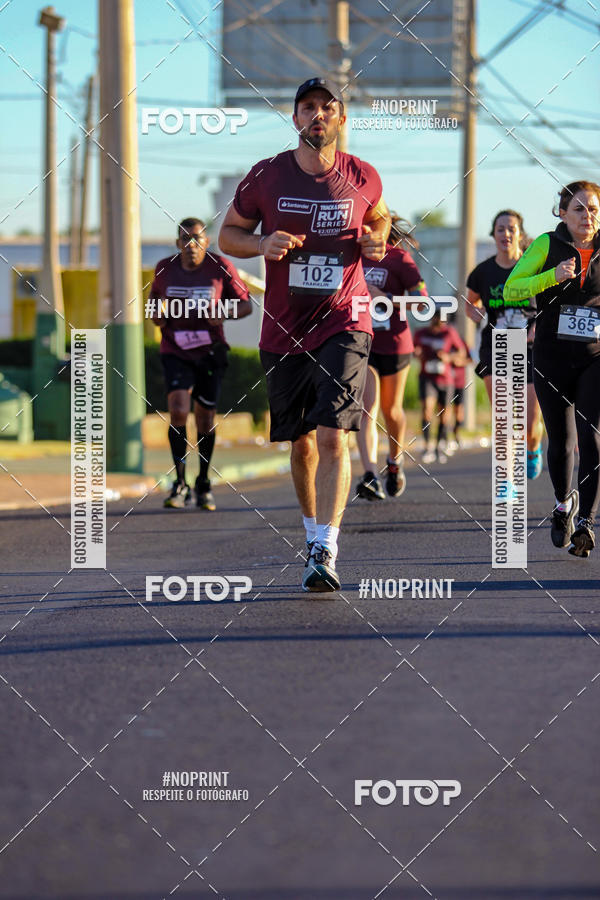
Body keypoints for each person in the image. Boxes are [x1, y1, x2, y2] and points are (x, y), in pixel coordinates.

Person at [219, 77, 391, 592]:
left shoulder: (363, 175)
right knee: (301, 444)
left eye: (327, 108)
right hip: (284, 328)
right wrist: (262, 243)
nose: (317, 115)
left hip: (346, 318)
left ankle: (327, 546)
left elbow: (379, 222)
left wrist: (377, 240)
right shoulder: (266, 177)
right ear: (294, 118)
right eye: (307, 107)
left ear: (340, 119)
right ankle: (311, 532)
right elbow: (229, 235)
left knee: (336, 434)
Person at [504, 181, 600, 557]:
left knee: (591, 435)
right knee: (560, 443)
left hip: (594, 356)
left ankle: (586, 523)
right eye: (579, 209)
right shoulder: (547, 244)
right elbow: (512, 288)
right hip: (550, 357)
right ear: (563, 213)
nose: (587, 216)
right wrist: (551, 276)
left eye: (593, 209)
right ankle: (563, 505)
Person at [149, 217, 252, 510]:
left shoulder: (220, 267)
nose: (190, 244)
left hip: (210, 351)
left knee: (205, 418)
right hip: (176, 348)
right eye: (184, 239)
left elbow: (246, 305)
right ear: (177, 243)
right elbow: (152, 301)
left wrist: (223, 312)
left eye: (196, 238)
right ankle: (179, 482)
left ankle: (203, 481)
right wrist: (157, 314)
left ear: (206, 242)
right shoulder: (164, 268)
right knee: (179, 409)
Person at [466, 210, 544, 479]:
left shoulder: (535, 269)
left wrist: (538, 325)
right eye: (500, 229)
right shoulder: (483, 272)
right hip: (496, 347)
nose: (506, 234)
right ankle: (507, 477)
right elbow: (470, 302)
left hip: (530, 350)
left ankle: (533, 448)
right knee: (504, 417)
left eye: (511, 229)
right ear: (494, 234)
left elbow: (551, 305)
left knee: (531, 425)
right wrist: (473, 312)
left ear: (520, 234)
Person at [356, 215, 428, 500]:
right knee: (366, 407)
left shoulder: (399, 259)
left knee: (392, 410)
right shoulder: (351, 258)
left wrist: (384, 297)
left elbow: (421, 300)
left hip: (396, 344)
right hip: (364, 343)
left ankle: (395, 461)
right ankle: (370, 474)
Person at [413, 311, 467, 464]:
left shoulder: (449, 333)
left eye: (442, 323)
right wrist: (417, 354)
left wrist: (448, 357)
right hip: (426, 377)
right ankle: (428, 446)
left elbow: (461, 352)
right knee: (427, 411)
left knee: (444, 415)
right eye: (436, 321)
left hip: (445, 379)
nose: (439, 325)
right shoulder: (421, 333)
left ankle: (439, 446)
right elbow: (413, 349)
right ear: (432, 319)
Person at [448, 333, 471, 453]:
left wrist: (459, 362)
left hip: (459, 382)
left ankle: (456, 433)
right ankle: (444, 436)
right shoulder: (444, 339)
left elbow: (470, 359)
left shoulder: (462, 342)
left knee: (459, 411)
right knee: (445, 410)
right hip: (446, 382)